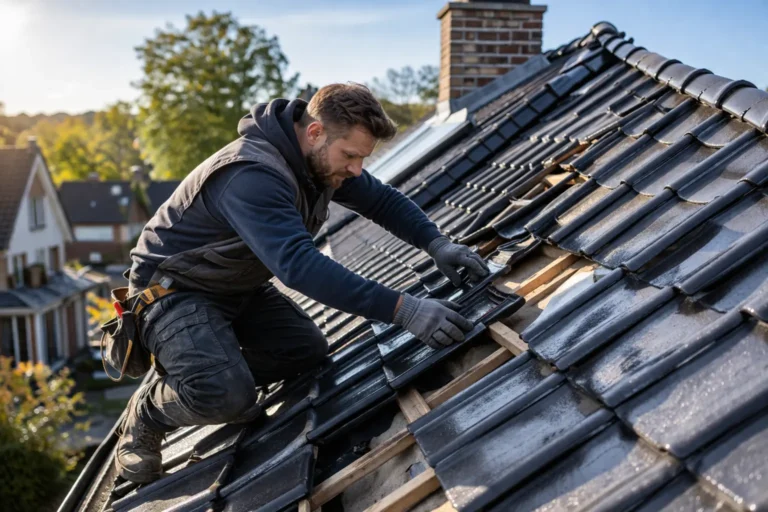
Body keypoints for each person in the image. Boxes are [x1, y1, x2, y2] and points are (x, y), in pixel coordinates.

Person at [117, 83, 489, 483]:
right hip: (172, 294)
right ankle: (147, 413)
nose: (356, 169)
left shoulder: (318, 159)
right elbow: (299, 266)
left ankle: (212, 372)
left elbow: (381, 201)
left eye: (362, 158)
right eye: (350, 156)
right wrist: (405, 310)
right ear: (314, 132)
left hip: (233, 285)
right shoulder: (250, 174)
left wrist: (437, 243)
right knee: (227, 394)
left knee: (304, 351)